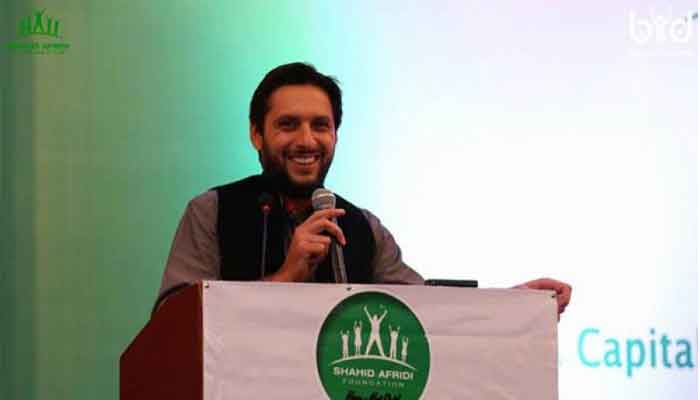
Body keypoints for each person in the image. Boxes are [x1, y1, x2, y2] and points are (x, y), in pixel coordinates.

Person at [156, 62, 572, 317]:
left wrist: (514, 307)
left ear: (336, 135)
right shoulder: (212, 211)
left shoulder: (363, 227)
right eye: (288, 125)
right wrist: (286, 276)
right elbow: (176, 325)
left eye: (321, 126)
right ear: (256, 134)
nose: (306, 140)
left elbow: (432, 314)